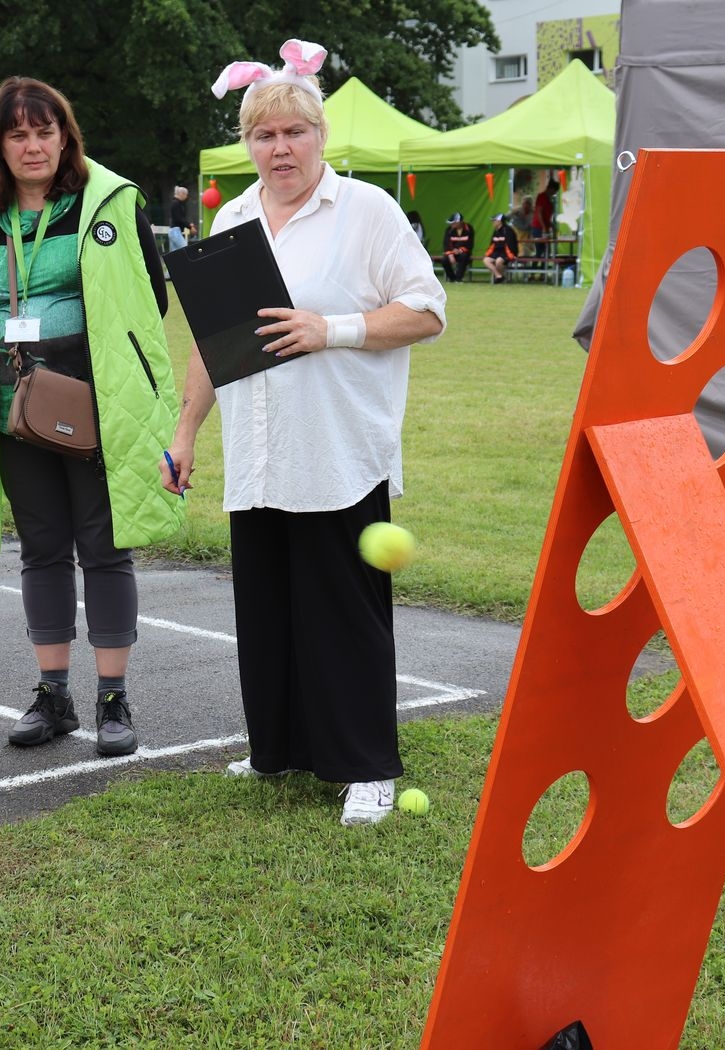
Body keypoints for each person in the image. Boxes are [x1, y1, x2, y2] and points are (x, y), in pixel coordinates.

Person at [169, 39, 446, 826]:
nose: (279, 147)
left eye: (294, 131)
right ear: (246, 145)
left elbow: (426, 311)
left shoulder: (365, 212)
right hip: (259, 453)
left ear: (319, 136)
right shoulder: (233, 216)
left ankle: (366, 768)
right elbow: (213, 339)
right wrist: (187, 431)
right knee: (268, 613)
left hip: (336, 451)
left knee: (342, 615)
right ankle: (277, 750)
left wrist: (335, 329)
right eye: (264, 135)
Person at [0, 76, 184, 756]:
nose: (32, 146)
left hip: (93, 408)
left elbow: (151, 302)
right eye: (17, 134)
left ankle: (112, 700)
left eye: (43, 131)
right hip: (11, 408)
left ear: (65, 136)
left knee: (104, 550)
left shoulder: (110, 200)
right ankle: (51, 696)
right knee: (43, 553)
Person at [484, 212, 519, 284]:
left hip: (507, 253)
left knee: (498, 261)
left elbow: (511, 246)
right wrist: (488, 253)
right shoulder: (495, 231)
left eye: (494, 220)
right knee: (486, 260)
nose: (492, 222)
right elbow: (492, 244)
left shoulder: (508, 230)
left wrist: (511, 255)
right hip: (497, 252)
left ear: (499, 221)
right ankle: (499, 276)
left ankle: (499, 278)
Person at [441, 211, 474, 283]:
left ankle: (458, 279)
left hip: (464, 252)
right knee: (444, 260)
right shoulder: (449, 230)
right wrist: (450, 254)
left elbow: (470, 244)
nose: (452, 224)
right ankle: (452, 278)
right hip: (452, 252)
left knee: (464, 257)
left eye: (453, 222)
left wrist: (460, 250)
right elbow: (446, 243)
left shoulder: (469, 229)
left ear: (459, 222)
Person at [168, 185, 192, 251]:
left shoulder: (175, 203)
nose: (186, 197)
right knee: (184, 249)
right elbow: (179, 219)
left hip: (174, 230)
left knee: (174, 252)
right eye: (186, 195)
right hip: (175, 231)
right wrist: (189, 226)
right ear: (182, 194)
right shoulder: (176, 204)